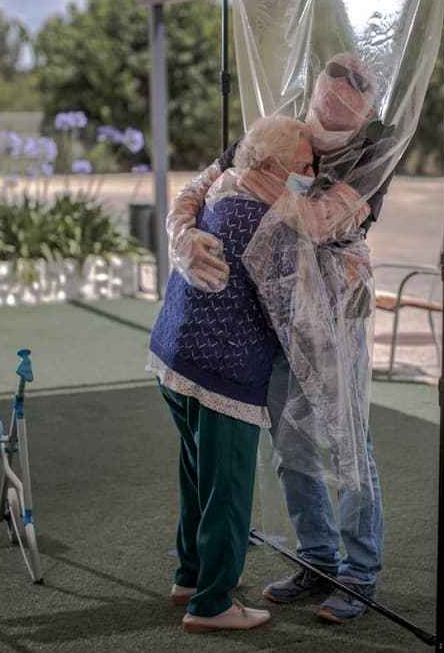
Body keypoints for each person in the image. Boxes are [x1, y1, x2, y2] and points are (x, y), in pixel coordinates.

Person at [165, 52, 390, 624]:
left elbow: (317, 221)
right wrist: (183, 232)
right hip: (273, 322)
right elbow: (199, 184)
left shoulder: (375, 152)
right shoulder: (281, 131)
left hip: (332, 319)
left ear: (369, 106)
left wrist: (251, 179)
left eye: (356, 86)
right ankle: (317, 561)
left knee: (348, 447)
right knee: (291, 447)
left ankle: (359, 573)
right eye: (332, 79)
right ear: (317, 84)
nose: (339, 91)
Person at [146, 115, 315, 634]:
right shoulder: (266, 222)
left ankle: (191, 576)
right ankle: (212, 603)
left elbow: (189, 198)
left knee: (197, 475)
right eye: (304, 166)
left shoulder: (224, 185)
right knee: (229, 486)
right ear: (270, 166)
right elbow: (289, 309)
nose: (312, 175)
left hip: (176, 354)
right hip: (224, 371)